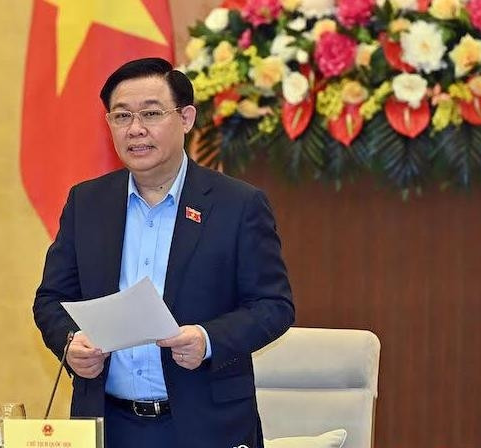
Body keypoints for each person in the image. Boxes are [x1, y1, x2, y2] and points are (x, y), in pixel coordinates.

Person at [32, 57, 294, 448]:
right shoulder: (87, 202)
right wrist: (70, 343)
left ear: (186, 118)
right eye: (121, 116)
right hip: (107, 425)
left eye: (151, 113)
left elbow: (274, 306)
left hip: (206, 426)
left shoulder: (237, 204)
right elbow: (51, 300)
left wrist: (208, 339)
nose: (135, 129)